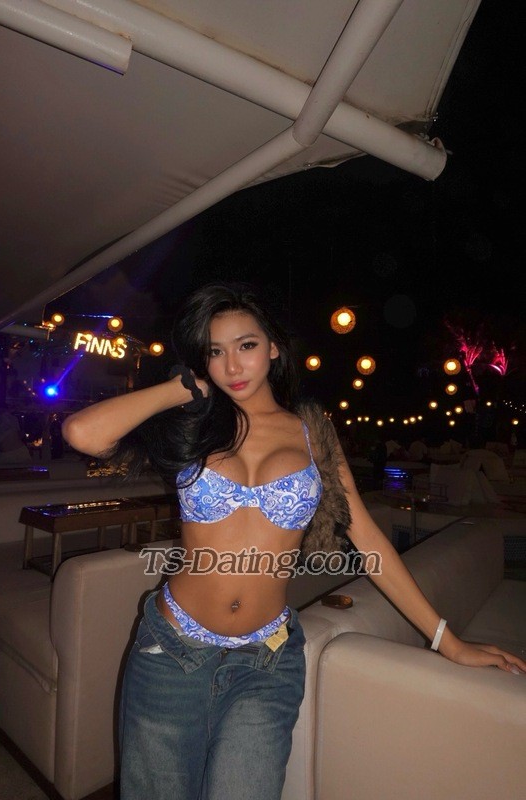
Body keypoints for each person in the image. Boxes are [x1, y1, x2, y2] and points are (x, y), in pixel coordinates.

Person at [61, 282, 525, 800]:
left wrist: (447, 641)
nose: (232, 365)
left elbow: (367, 538)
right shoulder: (195, 423)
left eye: (246, 345)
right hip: (171, 650)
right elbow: (83, 434)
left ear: (274, 348)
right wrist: (179, 390)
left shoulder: (311, 431)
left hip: (267, 661)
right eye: (215, 351)